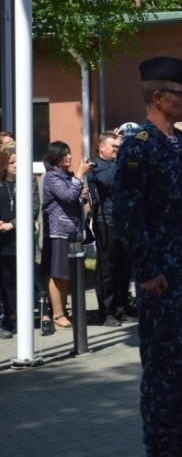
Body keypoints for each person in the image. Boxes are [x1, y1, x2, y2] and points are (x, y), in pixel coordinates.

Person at [112, 56, 182, 457]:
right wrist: (147, 269)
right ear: (159, 97)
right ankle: (160, 448)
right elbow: (128, 214)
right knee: (163, 365)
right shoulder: (139, 147)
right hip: (162, 278)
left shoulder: (176, 145)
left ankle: (179, 435)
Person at [40, 140, 93, 335]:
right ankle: (57, 314)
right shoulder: (52, 177)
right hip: (57, 231)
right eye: (65, 154)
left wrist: (83, 194)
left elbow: (75, 199)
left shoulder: (66, 176)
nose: (70, 157)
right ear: (56, 157)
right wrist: (79, 176)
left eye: (70, 153)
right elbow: (68, 196)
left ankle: (62, 309)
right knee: (58, 273)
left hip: (71, 231)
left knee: (67, 274)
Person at [87, 131, 133, 327]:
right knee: (107, 271)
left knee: (125, 269)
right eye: (114, 147)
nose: (117, 150)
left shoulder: (119, 164)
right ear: (102, 147)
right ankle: (106, 312)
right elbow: (110, 181)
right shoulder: (96, 166)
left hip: (125, 224)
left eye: (119, 147)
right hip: (107, 224)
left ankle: (121, 308)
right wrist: (123, 161)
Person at [0, 146, 17, 337]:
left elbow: (33, 209)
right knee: (5, 281)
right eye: (11, 163)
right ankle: (9, 317)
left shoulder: (26, 183)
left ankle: (16, 316)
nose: (15, 166)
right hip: (2, 240)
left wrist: (12, 225)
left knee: (19, 280)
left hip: (17, 237)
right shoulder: (1, 184)